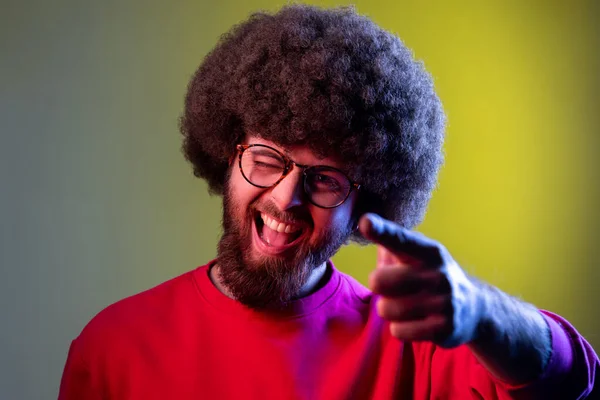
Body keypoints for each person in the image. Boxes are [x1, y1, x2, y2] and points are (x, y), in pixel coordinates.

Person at [58, 4, 598, 399]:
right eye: (267, 157)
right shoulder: (113, 348)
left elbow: (574, 381)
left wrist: (481, 312)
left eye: (325, 178)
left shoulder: (411, 345)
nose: (286, 197)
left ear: (365, 201)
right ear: (227, 153)